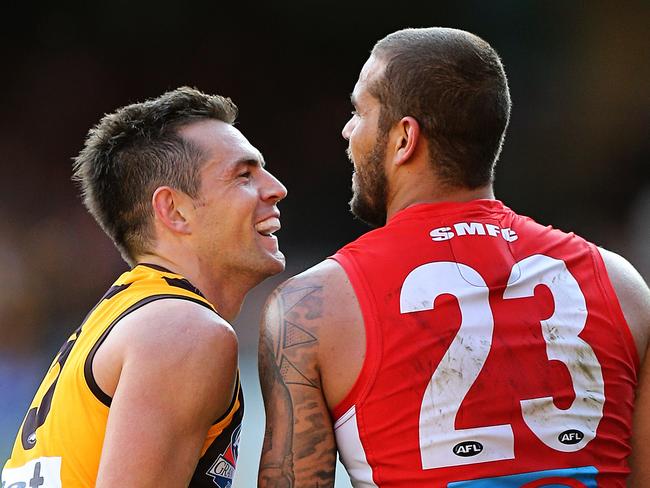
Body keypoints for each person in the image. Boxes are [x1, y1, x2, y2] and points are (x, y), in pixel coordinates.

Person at [257, 27, 650, 487]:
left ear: (405, 139)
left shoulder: (314, 305)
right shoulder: (621, 284)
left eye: (358, 111)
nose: (347, 130)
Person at [2, 86, 287, 487]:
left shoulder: (128, 315)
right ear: (173, 210)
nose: (276, 188)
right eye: (243, 176)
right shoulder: (183, 331)